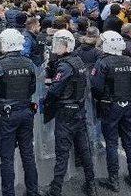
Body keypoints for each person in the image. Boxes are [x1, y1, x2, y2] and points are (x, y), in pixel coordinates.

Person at [42, 29, 95, 196]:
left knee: (62, 152)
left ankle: (55, 189)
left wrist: (47, 99)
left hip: (66, 112)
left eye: (59, 44)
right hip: (79, 110)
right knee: (84, 149)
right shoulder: (77, 61)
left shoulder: (65, 65)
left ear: (68, 46)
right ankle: (91, 184)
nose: (55, 47)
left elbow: (54, 90)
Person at [0, 28, 38, 196]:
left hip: (7, 114)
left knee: (7, 158)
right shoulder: (28, 63)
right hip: (25, 111)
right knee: (28, 154)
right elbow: (32, 87)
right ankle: (33, 191)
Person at [90, 30, 131, 191]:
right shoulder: (129, 61)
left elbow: (96, 87)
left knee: (111, 143)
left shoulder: (103, 62)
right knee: (129, 141)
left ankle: (114, 179)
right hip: (127, 105)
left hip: (109, 105)